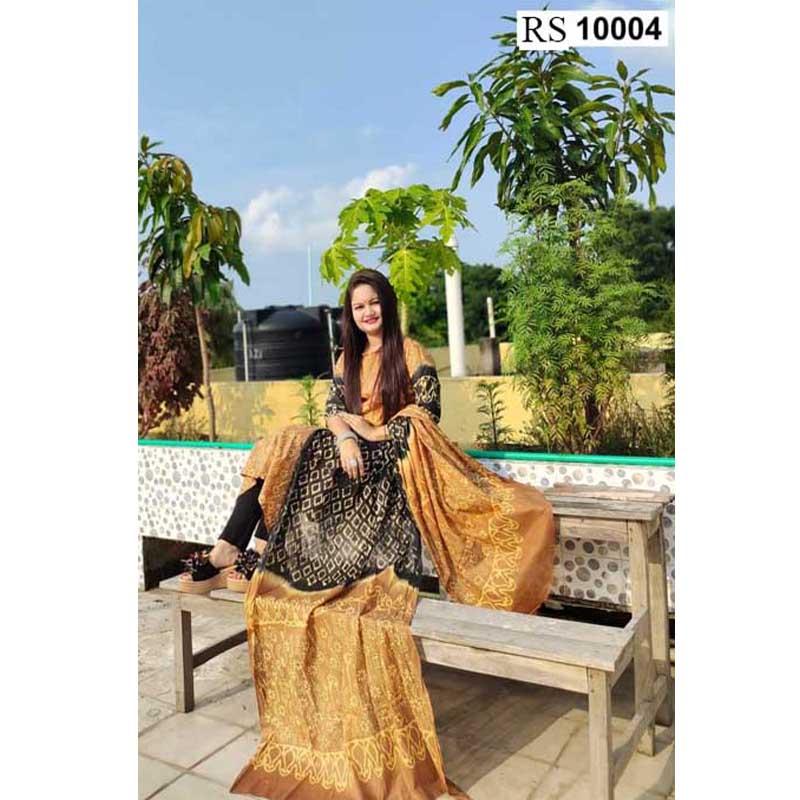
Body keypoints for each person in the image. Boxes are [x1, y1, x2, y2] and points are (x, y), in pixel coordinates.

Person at [186, 267, 555, 798]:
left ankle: (257, 548)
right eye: (358, 307)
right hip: (349, 456)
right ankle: (232, 545)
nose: (367, 313)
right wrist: (345, 436)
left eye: (373, 303)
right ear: (350, 314)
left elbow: (426, 415)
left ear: (386, 304)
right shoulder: (347, 359)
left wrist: (373, 431)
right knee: (285, 439)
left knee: (298, 448)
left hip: (394, 461)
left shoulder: (411, 351)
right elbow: (333, 412)